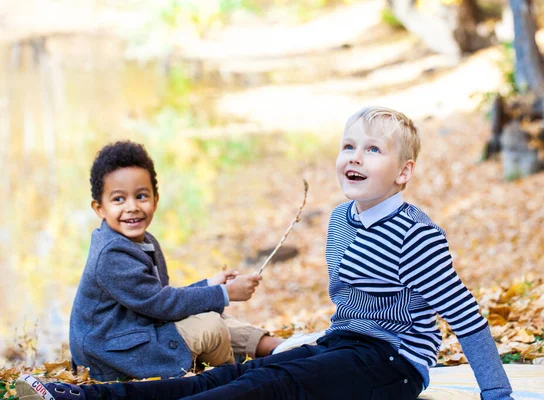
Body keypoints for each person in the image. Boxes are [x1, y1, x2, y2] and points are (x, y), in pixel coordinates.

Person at [17, 108, 513, 400]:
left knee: (272, 385)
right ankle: (89, 396)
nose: (355, 157)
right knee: (240, 372)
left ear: (403, 173)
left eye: (373, 150)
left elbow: (464, 316)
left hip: (394, 364)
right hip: (346, 344)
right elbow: (354, 307)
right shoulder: (342, 221)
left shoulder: (416, 235)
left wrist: (497, 393)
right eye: (348, 146)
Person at [43, 141, 282, 383]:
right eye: (118, 199)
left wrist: (210, 284)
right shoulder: (111, 254)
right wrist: (223, 293)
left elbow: (157, 299)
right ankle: (232, 382)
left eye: (141, 196)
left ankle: (282, 349)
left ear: (155, 200)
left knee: (214, 317)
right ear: (99, 209)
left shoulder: (144, 241)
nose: (132, 207)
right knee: (210, 326)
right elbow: (160, 304)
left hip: (138, 332)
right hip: (111, 358)